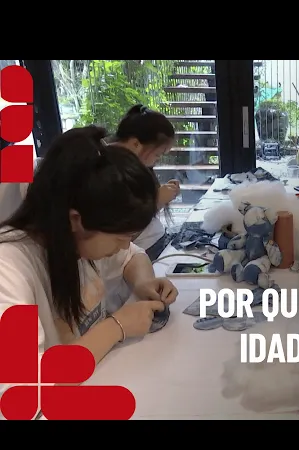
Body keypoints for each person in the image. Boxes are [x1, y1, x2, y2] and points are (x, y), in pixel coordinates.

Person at [0, 126, 179, 411]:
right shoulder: (9, 269)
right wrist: (116, 327)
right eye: (120, 238)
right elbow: (21, 393)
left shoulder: (79, 237)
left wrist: (143, 282)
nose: (124, 245)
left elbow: (133, 257)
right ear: (75, 220)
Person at [109, 104, 179, 261]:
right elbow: (121, 231)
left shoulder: (130, 165)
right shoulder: (109, 172)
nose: (157, 160)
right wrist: (156, 202)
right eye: (158, 154)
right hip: (141, 253)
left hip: (153, 244)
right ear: (135, 144)